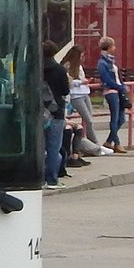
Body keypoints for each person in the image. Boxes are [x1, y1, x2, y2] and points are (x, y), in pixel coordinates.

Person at [42, 39, 71, 189]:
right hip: (56, 112)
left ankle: (38, 177)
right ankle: (52, 180)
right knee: (54, 148)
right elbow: (65, 91)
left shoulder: (36, 68)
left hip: (38, 112)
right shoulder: (59, 69)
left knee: (40, 147)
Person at [62, 44, 98, 147]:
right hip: (76, 95)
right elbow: (69, 82)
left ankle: (92, 142)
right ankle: (95, 143)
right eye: (81, 56)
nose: (83, 58)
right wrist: (80, 82)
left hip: (84, 93)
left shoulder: (80, 67)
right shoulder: (68, 65)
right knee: (89, 120)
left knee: (90, 119)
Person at [97, 36, 127, 154]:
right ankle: (117, 143)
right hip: (111, 91)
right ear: (109, 47)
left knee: (121, 118)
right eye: (113, 46)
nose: (115, 48)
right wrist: (120, 87)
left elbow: (117, 77)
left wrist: (121, 87)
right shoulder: (102, 62)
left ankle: (109, 141)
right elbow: (106, 79)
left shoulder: (110, 60)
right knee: (114, 117)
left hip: (118, 91)